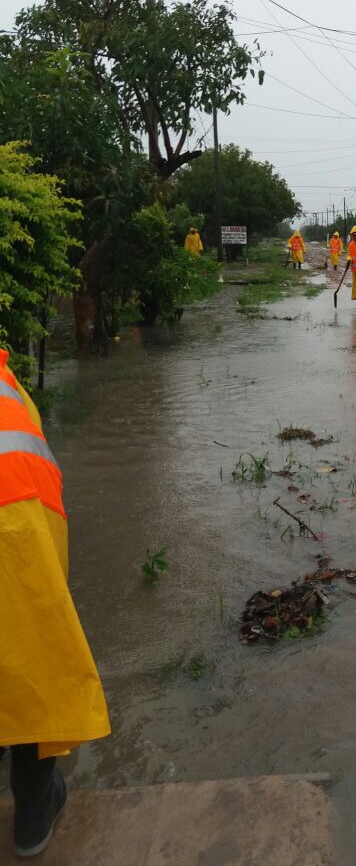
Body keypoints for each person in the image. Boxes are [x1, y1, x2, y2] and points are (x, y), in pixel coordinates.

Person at [0, 349, 110, 856]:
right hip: (24, 531)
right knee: (34, 668)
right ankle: (33, 817)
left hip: (20, 520)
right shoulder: (11, 389)